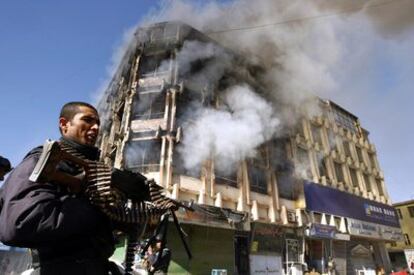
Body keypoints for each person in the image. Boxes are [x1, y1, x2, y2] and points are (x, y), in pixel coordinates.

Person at [0, 102, 115, 275]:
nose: (96, 127)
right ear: (64, 124)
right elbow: (22, 223)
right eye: (87, 120)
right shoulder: (43, 160)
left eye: (98, 122)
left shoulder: (85, 168)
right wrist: (96, 208)